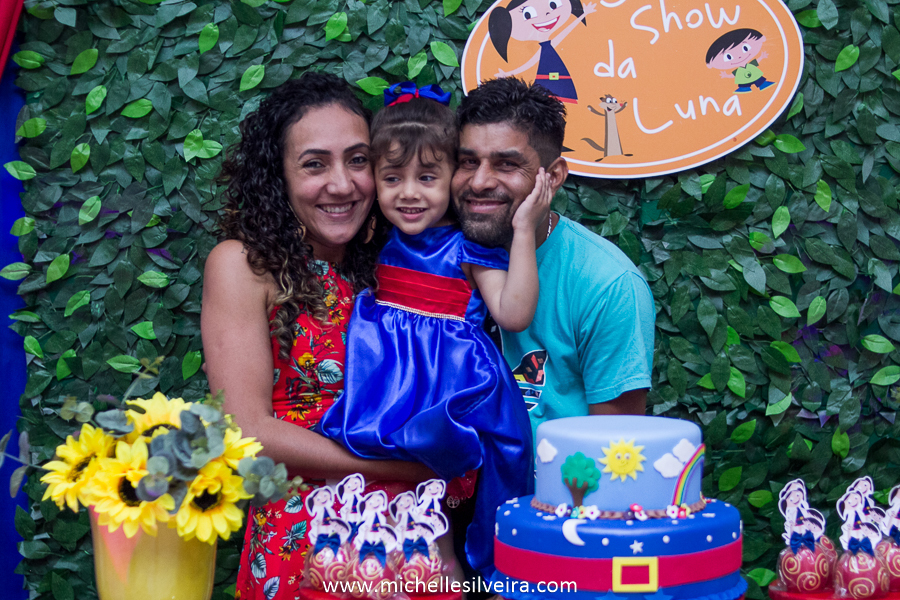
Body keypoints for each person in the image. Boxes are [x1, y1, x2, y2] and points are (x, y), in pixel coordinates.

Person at [201, 72, 435, 600]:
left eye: (358, 160)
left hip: (410, 528)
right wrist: (392, 467)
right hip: (305, 539)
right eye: (314, 164)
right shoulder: (242, 265)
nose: (343, 183)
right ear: (278, 178)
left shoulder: (388, 266)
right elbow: (248, 430)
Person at [317, 82, 542, 577]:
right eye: (392, 178)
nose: (409, 193)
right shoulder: (375, 240)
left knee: (437, 523)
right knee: (384, 505)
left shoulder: (463, 250)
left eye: (427, 177)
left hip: (446, 384)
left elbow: (513, 312)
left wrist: (523, 231)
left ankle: (454, 576)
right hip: (385, 380)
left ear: (451, 181)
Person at [451, 77, 655, 437]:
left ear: (554, 176)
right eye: (468, 161)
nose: (480, 181)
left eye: (506, 165)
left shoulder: (607, 285)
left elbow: (614, 450)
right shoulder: (434, 250)